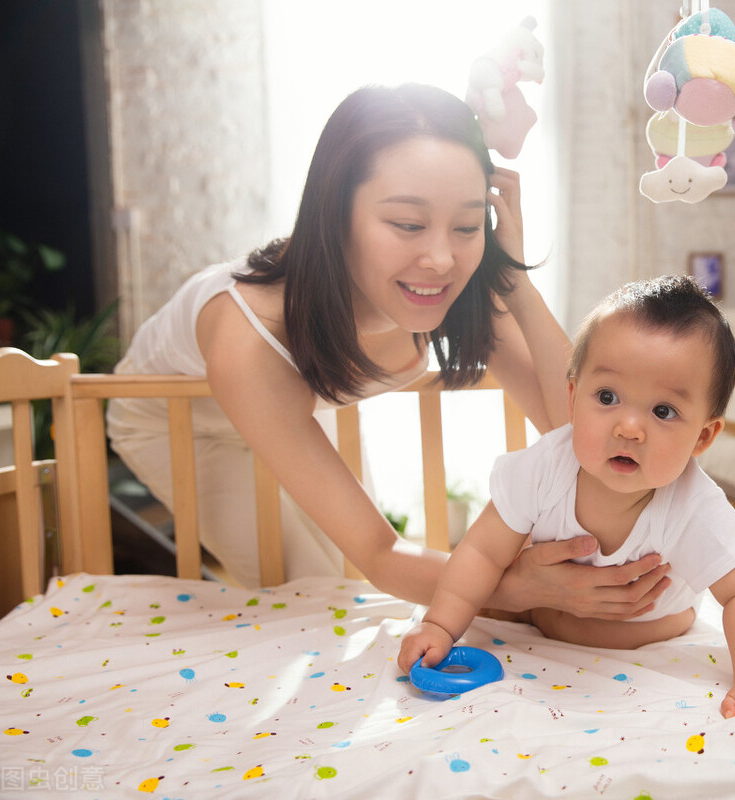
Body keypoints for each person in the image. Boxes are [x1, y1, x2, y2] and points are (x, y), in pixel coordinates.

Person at [106, 84, 671, 621]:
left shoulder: (462, 280)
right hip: (182, 421)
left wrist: (513, 279)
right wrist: (522, 587)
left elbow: (575, 426)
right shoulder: (248, 335)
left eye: (468, 225)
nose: (441, 259)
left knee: (347, 579)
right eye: (407, 223)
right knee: (314, 586)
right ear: (337, 214)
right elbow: (382, 554)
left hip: (300, 408)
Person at [398, 275, 735, 728]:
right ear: (573, 399)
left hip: (654, 629)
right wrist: (440, 626)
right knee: (499, 584)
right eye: (608, 397)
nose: (629, 427)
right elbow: (480, 551)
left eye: (663, 411)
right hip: (550, 618)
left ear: (704, 436)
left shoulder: (693, 505)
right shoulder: (543, 469)